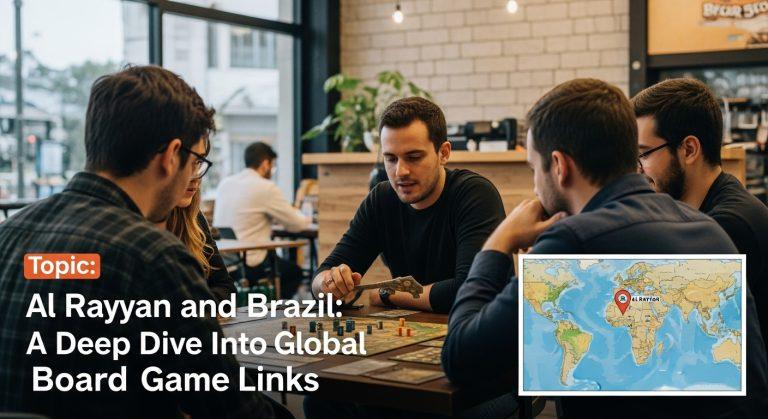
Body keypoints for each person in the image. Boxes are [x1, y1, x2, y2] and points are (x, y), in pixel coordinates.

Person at [441, 79, 768, 418]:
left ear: (559, 165)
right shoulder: (706, 226)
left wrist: (497, 244)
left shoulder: (576, 242)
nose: (535, 184)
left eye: (533, 169)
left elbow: (461, 359)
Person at [0, 66, 276, 418]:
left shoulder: (8, 235)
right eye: (195, 162)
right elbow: (231, 409)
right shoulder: (153, 257)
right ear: (171, 156)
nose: (193, 177)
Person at [310, 97, 505, 313]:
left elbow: (470, 290)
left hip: (477, 334)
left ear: (444, 153)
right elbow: (322, 275)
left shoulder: (475, 195)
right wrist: (329, 284)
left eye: (413, 157)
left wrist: (387, 294)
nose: (400, 171)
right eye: (391, 159)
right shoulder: (381, 200)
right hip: (418, 332)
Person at [632, 77, 768, 350]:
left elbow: (673, 329)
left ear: (689, 149)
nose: (637, 169)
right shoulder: (711, 206)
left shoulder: (727, 226)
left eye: (643, 155)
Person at [213, 141, 310, 299]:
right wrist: (307, 217)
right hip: (252, 263)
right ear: (265, 164)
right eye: (272, 166)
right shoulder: (265, 187)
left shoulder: (225, 184)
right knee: (294, 273)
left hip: (225, 261)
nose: (272, 171)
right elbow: (297, 223)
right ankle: (271, 310)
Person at [159, 159, 235, 302]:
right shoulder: (139, 223)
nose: (197, 178)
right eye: (186, 165)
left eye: (198, 164)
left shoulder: (195, 219)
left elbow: (226, 288)